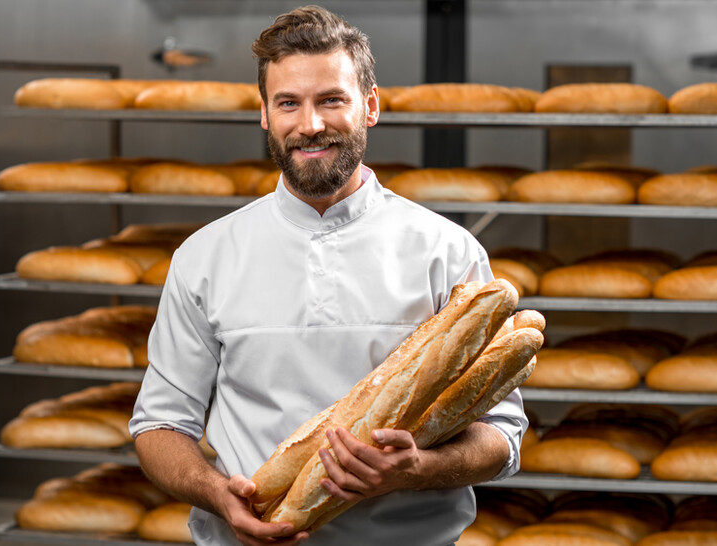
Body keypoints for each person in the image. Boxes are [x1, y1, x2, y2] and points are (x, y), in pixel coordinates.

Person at [130, 6, 528, 546]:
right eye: (288, 103)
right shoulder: (205, 256)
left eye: (332, 100)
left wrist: (419, 469)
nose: (310, 124)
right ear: (265, 114)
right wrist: (216, 494)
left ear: (371, 106)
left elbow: (501, 436)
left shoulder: (446, 251)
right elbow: (159, 426)